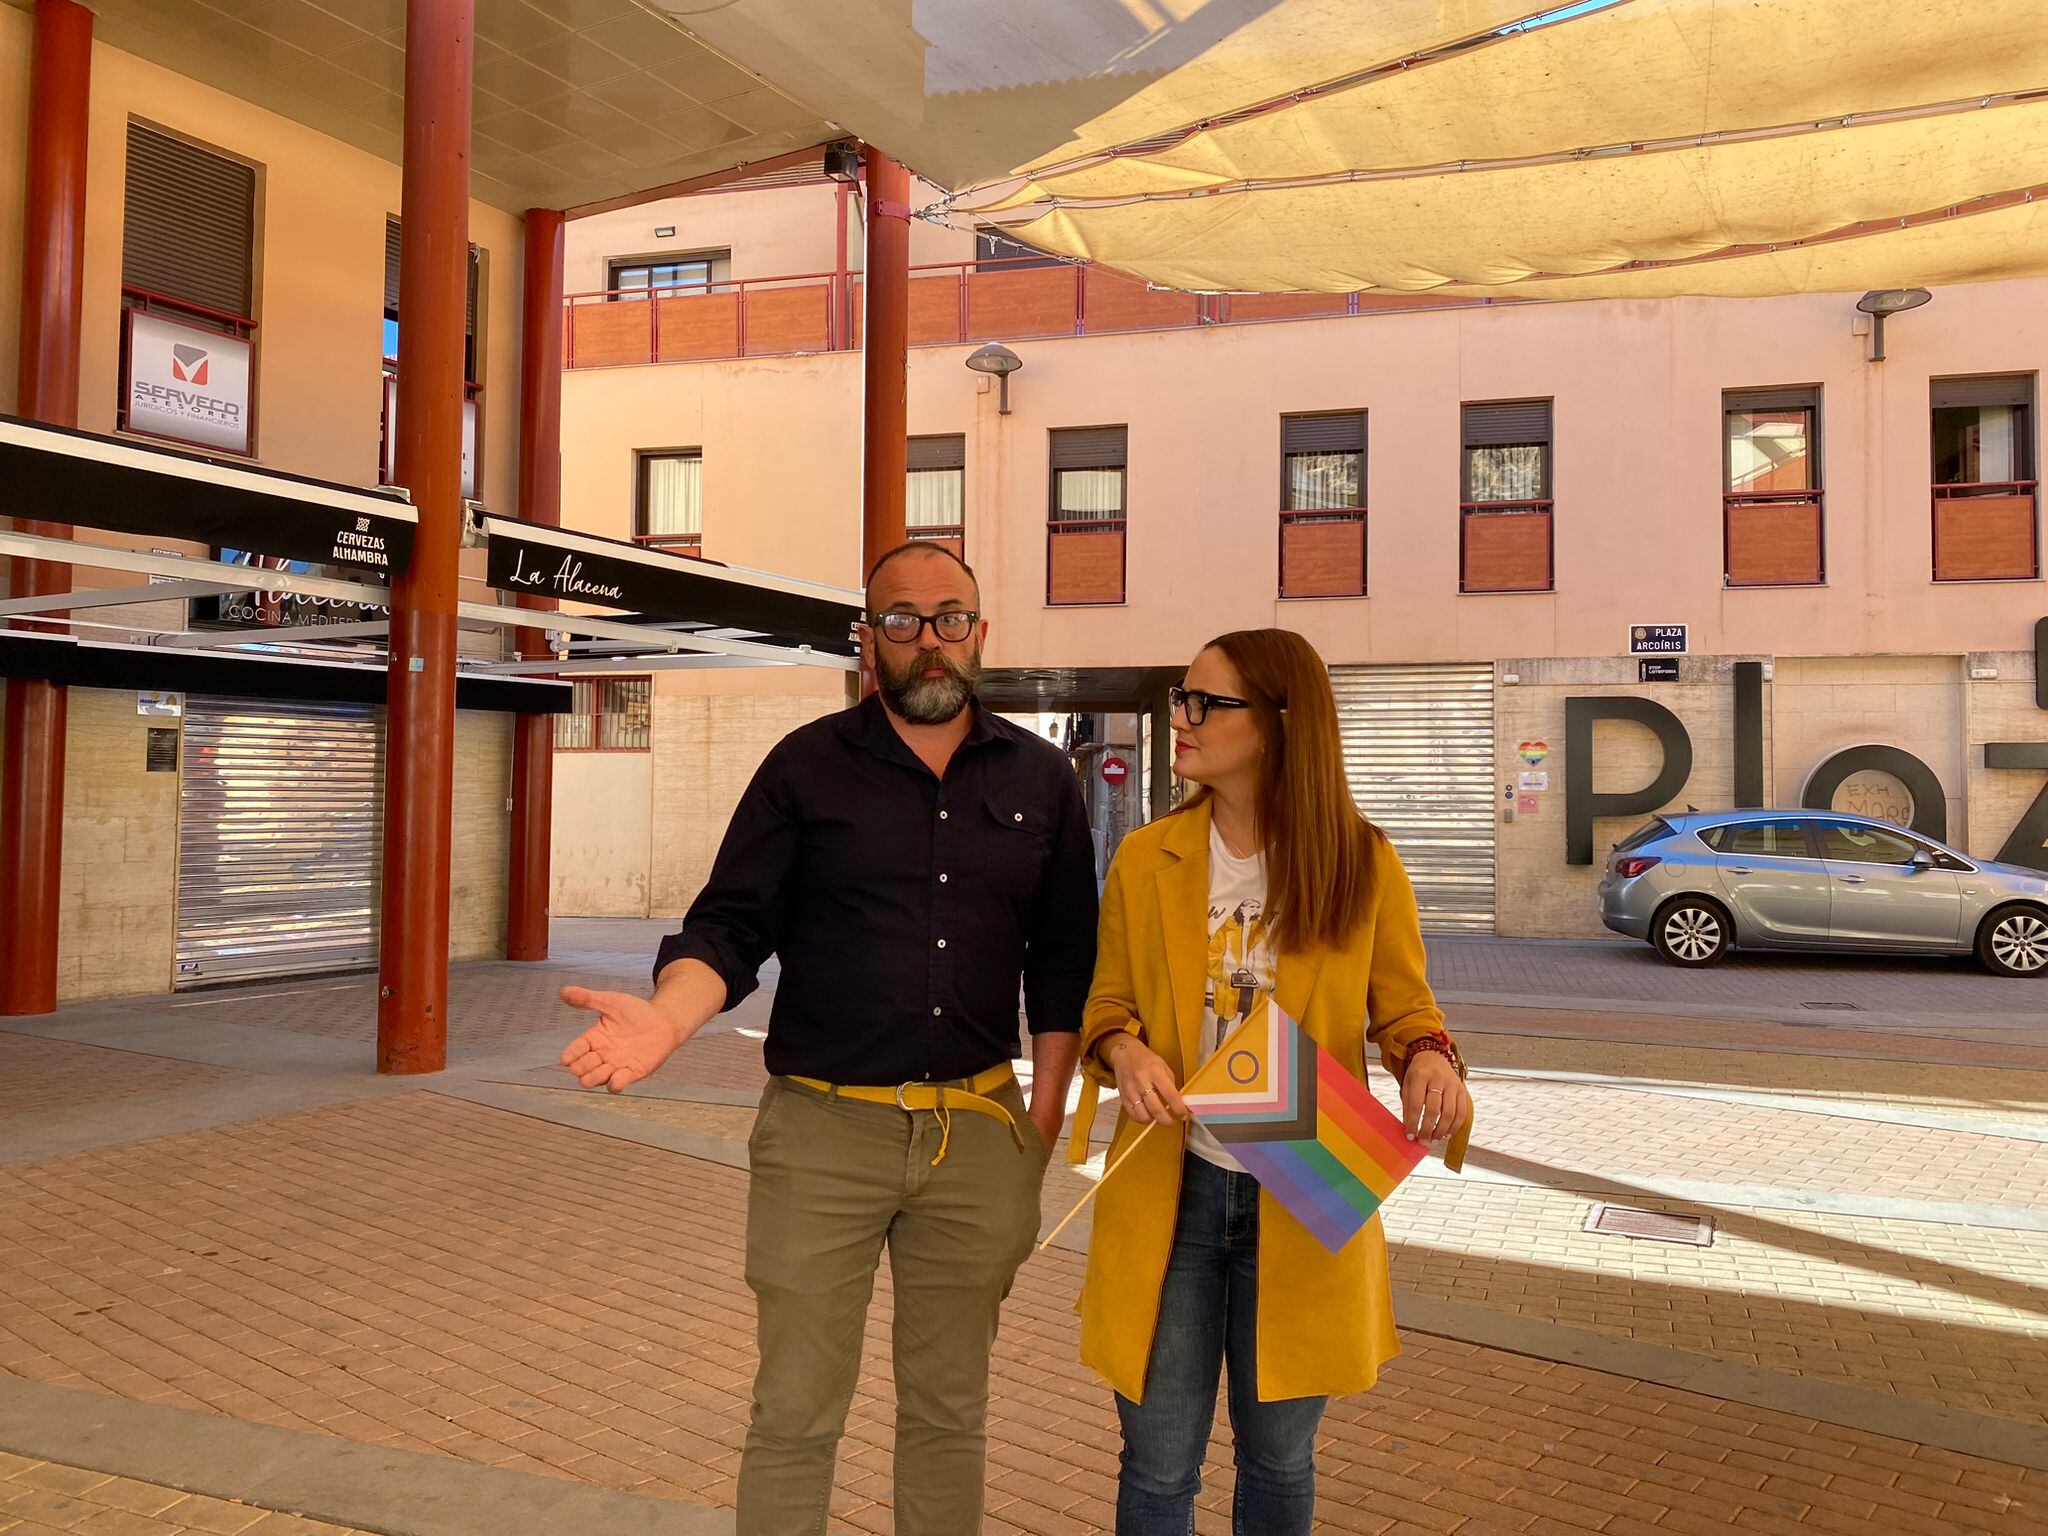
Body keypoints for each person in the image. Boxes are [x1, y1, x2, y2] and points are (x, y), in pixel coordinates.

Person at [558, 542, 1098, 1536]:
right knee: (795, 1414)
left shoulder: (1039, 781)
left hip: (979, 1133)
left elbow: (1063, 965)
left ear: (980, 634)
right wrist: (669, 1019)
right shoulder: (804, 768)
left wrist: (1041, 1128)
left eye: (948, 618)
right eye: (900, 621)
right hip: (822, 1137)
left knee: (950, 1413)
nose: (926, 640)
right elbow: (728, 925)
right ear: (866, 643)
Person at [1067, 628, 1475, 1535]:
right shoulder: (1148, 859)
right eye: (1182, 698)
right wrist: (1126, 1053)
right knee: (1158, 1467)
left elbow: (1406, 1011)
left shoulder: (1361, 861)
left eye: (1206, 703)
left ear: (1281, 723)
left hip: (1303, 1181)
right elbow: (1106, 1006)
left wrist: (1431, 1060)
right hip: (1170, 1193)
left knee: (1281, 1461)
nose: (1183, 718)